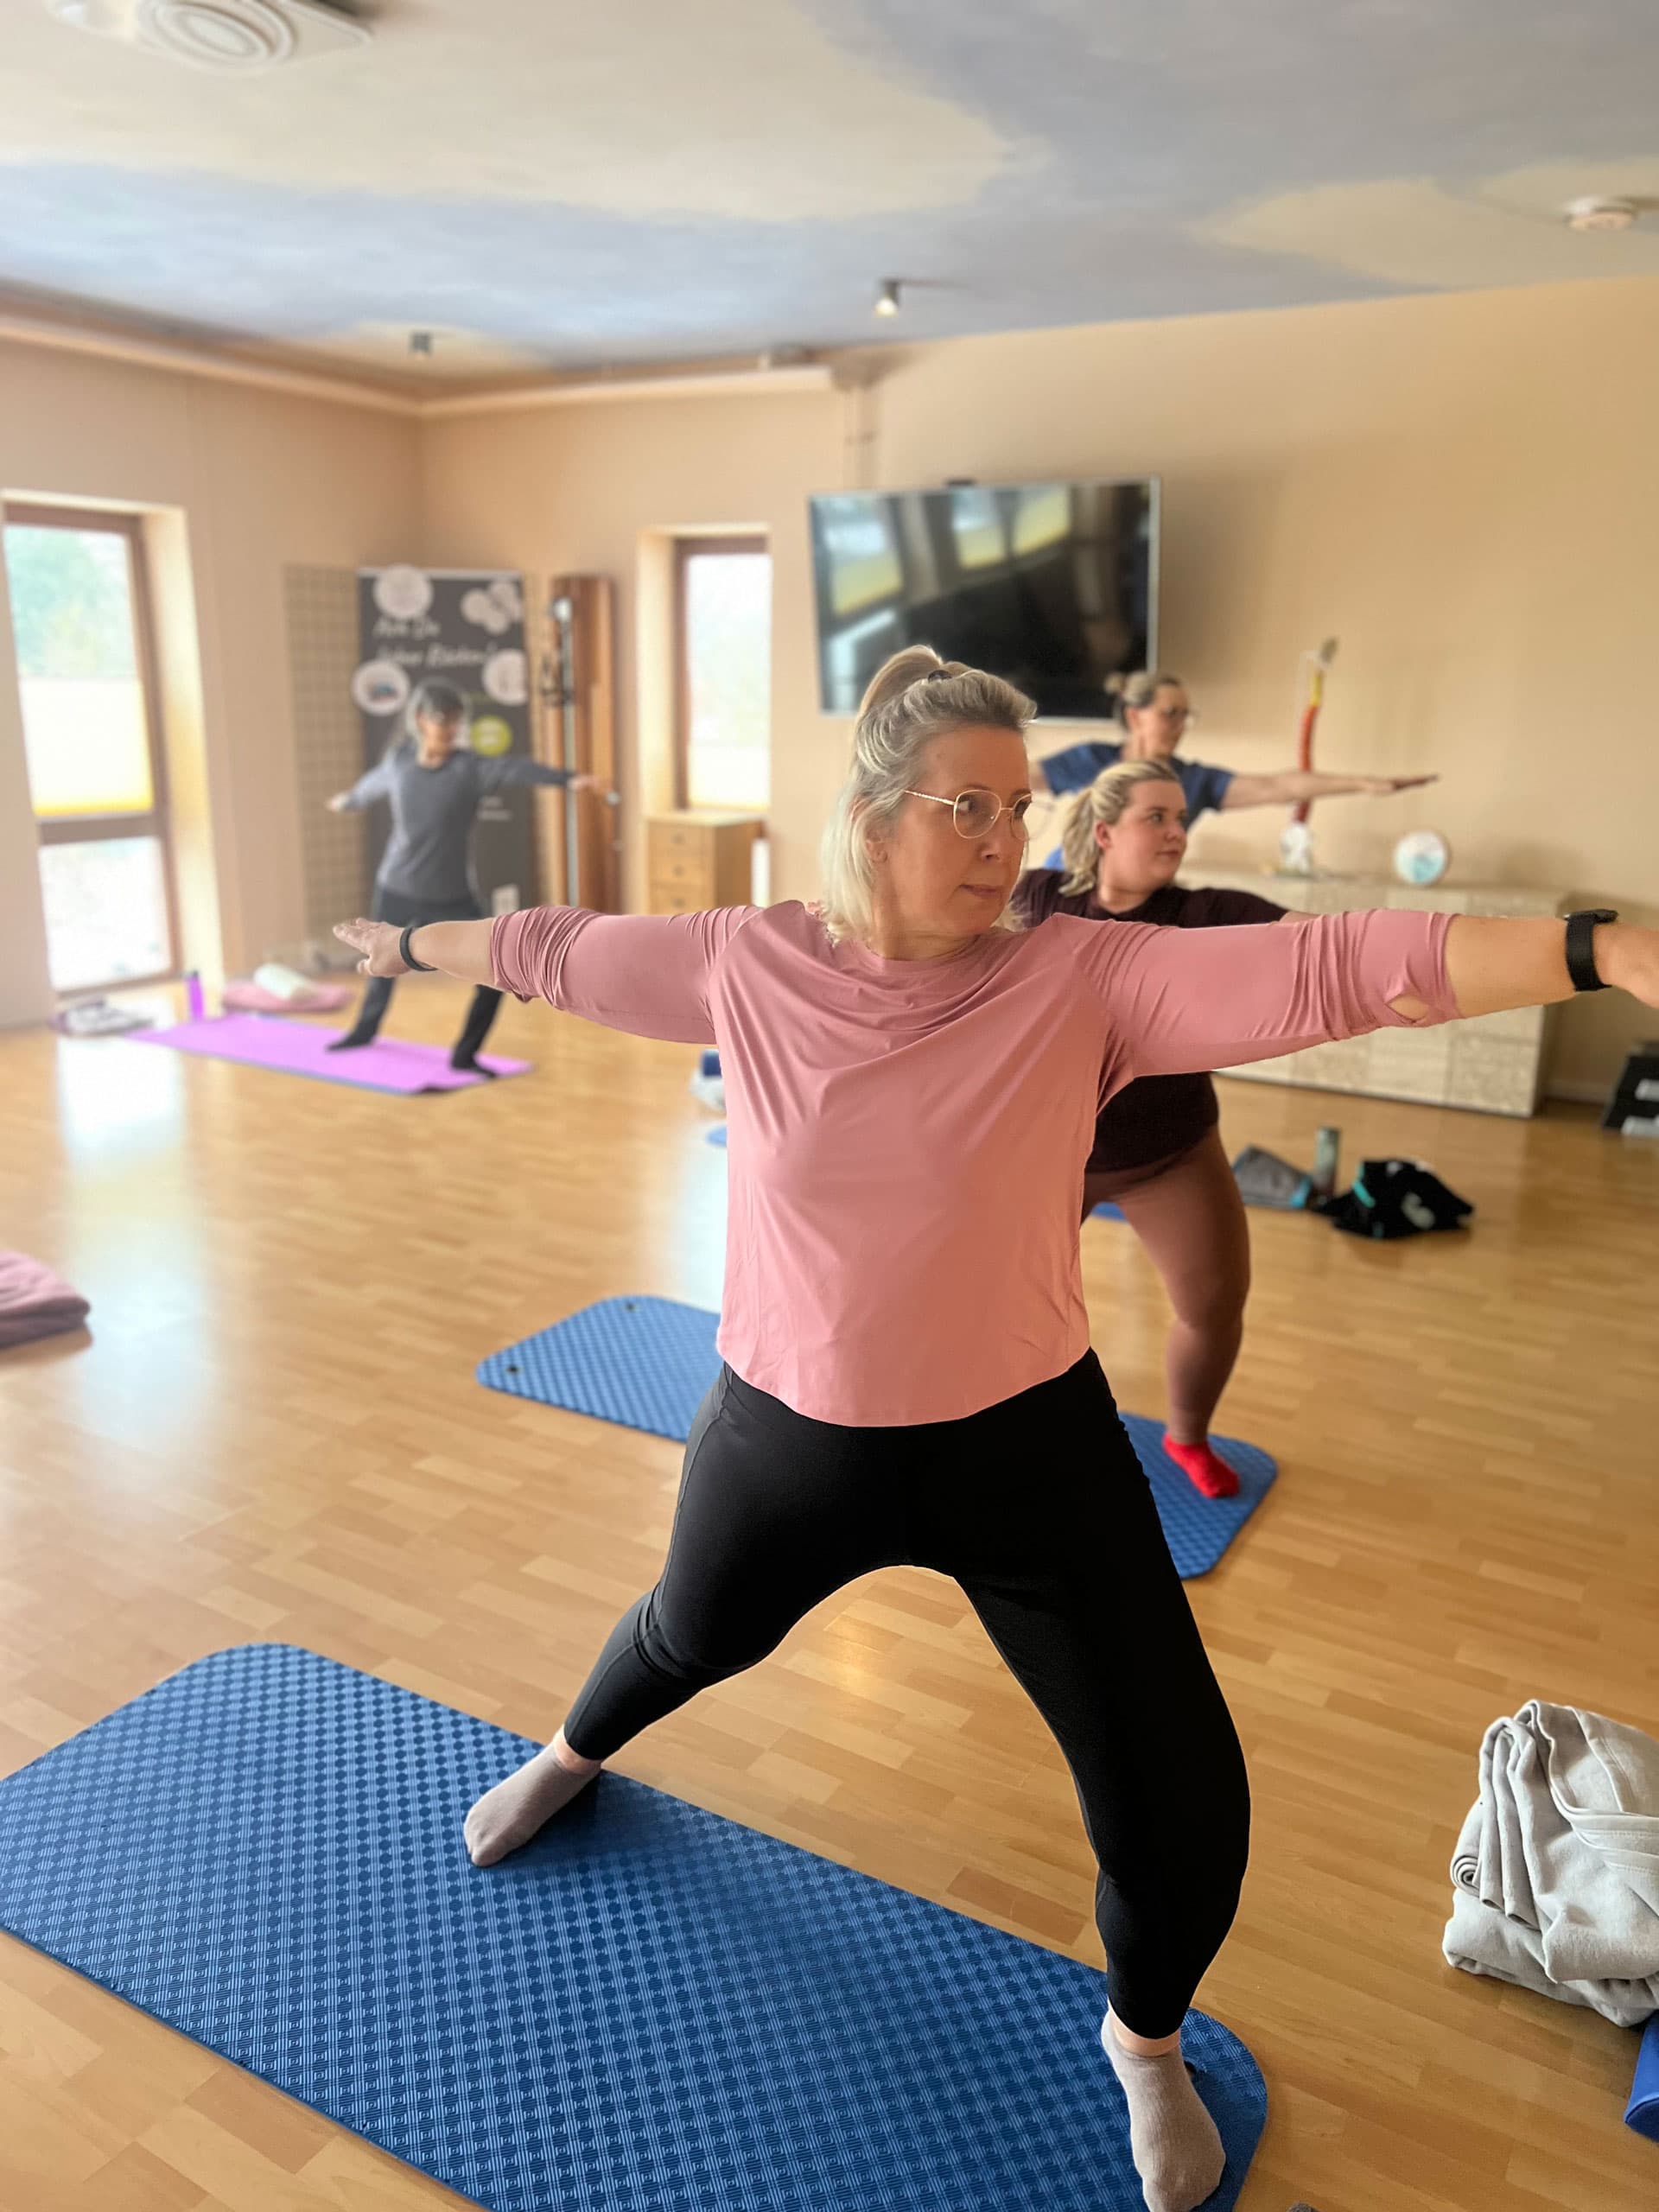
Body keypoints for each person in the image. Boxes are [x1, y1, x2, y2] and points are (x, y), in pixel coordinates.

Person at [336, 649, 1655, 2212]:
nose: (1004, 839)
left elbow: (1347, 967)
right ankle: (572, 1752)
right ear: (874, 815)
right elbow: (546, 946)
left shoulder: (1081, 978)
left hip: (1026, 1451)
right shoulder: (745, 960)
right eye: (968, 806)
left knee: (1181, 1799)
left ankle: (1143, 2041)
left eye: (1018, 808)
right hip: (789, 1438)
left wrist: (1602, 945)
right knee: (689, 1635)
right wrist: (403, 939)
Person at [1014, 759, 1290, 1501]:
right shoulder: (1037, 900)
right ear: (1105, 832)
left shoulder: (1203, 914)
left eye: (1181, 819)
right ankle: (996, 1438)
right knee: (1001, 1308)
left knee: (1213, 1307)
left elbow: (1321, 944)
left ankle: (1187, 1435)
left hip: (1169, 1153)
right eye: (1156, 817)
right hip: (1046, 1156)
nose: (1176, 833)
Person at [326, 679, 600, 1071]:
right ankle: (363, 1033)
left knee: (496, 973)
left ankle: (465, 1055)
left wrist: (568, 779)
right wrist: (349, 800)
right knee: (380, 965)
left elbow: (516, 769)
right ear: (421, 720)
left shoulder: (469, 769)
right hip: (397, 886)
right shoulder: (400, 762)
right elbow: (372, 785)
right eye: (443, 720)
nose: (451, 729)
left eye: (456, 721)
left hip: (451, 895)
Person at [1029, 668, 1433, 865]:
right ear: (1135, 717)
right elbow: (1013, 777)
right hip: (1064, 894)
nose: (1180, 726)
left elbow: (1279, 787)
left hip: (1133, 912)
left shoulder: (1195, 780)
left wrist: (1365, 784)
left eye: (1186, 716)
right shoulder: (1090, 761)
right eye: (1170, 713)